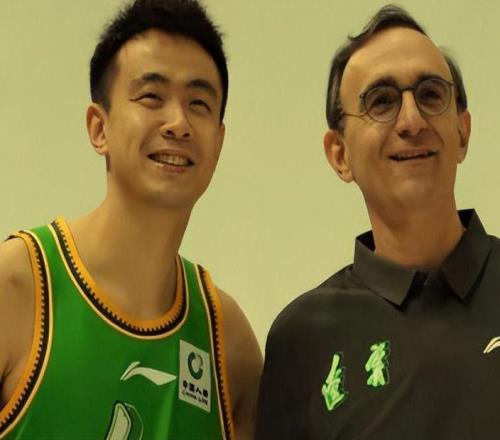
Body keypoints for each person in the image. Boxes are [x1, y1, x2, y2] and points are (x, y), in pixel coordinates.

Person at [0, 0, 262, 438]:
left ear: (218, 141)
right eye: (151, 97)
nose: (178, 123)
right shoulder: (18, 288)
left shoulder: (227, 341)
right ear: (98, 127)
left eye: (199, 103)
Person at [255, 4, 499, 439]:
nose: (412, 120)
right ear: (340, 154)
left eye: (430, 94)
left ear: (462, 132)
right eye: (381, 101)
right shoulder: (301, 340)